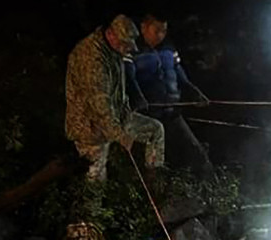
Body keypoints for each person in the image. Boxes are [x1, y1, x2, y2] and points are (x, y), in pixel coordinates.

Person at [65, 14, 165, 183]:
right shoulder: (91, 57)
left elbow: (119, 90)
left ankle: (154, 182)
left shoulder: (113, 50)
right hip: (91, 127)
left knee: (155, 130)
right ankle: (90, 207)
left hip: (116, 119)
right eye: (124, 44)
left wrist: (126, 109)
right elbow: (100, 105)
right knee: (96, 180)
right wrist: (120, 135)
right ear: (111, 34)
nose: (127, 48)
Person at [126, 12, 213, 176]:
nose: (160, 35)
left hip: (173, 115)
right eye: (157, 30)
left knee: (198, 156)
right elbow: (129, 79)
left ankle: (212, 195)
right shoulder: (132, 50)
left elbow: (179, 74)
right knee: (155, 166)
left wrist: (193, 92)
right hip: (149, 118)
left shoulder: (168, 48)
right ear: (144, 27)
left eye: (164, 31)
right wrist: (137, 98)